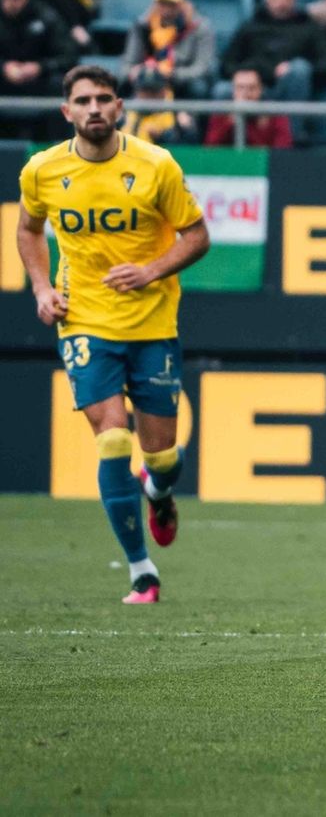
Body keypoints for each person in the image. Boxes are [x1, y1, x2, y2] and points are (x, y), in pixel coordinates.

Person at [16, 64, 210, 605]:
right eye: (83, 101)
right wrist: (41, 288)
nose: (94, 108)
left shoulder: (155, 165)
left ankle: (158, 490)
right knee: (113, 440)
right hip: (84, 319)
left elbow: (197, 236)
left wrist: (150, 271)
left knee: (163, 456)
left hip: (152, 322)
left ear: (120, 107)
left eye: (103, 98)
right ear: (67, 111)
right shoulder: (42, 170)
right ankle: (141, 571)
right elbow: (29, 228)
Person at [220, 0, 326, 103]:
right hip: (255, 89)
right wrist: (253, 72)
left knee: (299, 68)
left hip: (293, 92)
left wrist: (294, 70)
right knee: (222, 90)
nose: (281, 2)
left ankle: (291, 117)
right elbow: (227, 65)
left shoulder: (309, 27)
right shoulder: (251, 26)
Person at [0, 0, 75, 139]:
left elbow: (69, 55)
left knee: (61, 84)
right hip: (5, 80)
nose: (10, 2)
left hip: (40, 81)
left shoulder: (47, 17)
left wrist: (40, 67)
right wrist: (3, 67)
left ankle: (54, 143)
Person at [122, 0, 217, 100]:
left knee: (198, 87)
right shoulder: (143, 25)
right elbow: (128, 64)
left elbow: (203, 68)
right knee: (123, 82)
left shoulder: (200, 26)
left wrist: (172, 74)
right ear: (155, 2)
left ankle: (187, 113)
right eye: (162, 3)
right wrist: (136, 72)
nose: (167, 9)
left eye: (172, 4)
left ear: (181, 2)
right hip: (148, 77)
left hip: (182, 79)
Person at [204, 66, 295, 148]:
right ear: (233, 90)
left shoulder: (275, 114)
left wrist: (262, 131)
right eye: (240, 88)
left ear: (260, 90)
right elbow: (210, 149)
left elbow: (283, 151)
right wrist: (230, 121)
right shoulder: (221, 113)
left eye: (252, 88)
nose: (246, 94)